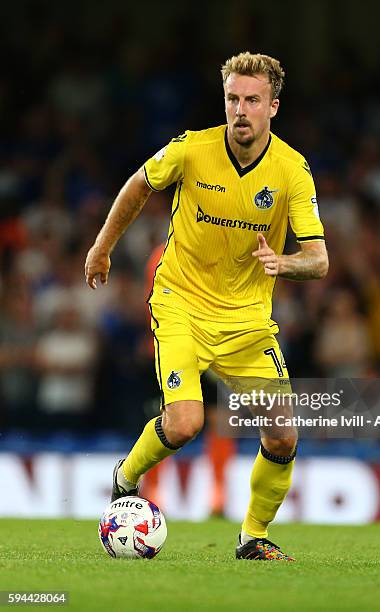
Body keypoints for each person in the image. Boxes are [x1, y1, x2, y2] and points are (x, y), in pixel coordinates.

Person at [85, 52, 328, 561]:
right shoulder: (190, 151)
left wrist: (284, 264)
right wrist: (103, 246)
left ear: (273, 107)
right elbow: (138, 185)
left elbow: (318, 259)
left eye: (252, 100)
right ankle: (126, 476)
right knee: (185, 423)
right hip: (181, 303)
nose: (240, 110)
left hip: (246, 321)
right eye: (233, 99)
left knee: (282, 434)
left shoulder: (292, 171)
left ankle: (252, 537)